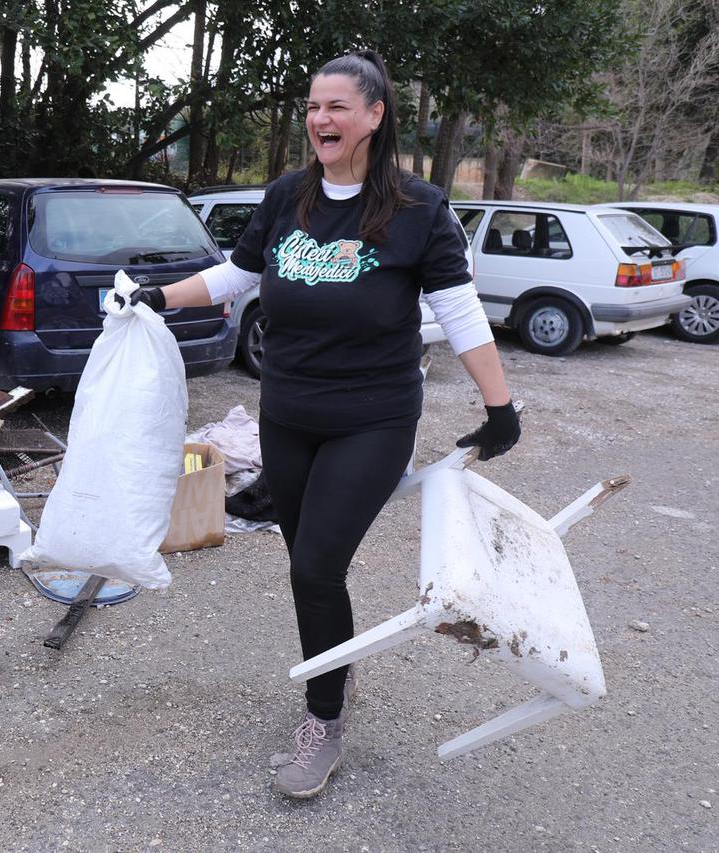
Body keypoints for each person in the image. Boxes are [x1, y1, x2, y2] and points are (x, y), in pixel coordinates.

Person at [121, 50, 520, 798]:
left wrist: (500, 406)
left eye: (337, 106)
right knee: (308, 565)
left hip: (372, 418)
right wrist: (158, 296)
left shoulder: (417, 207)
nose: (320, 119)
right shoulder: (286, 197)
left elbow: (459, 310)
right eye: (312, 106)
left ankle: (323, 721)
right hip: (289, 413)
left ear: (374, 115)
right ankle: (336, 660)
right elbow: (240, 275)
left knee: (314, 566)